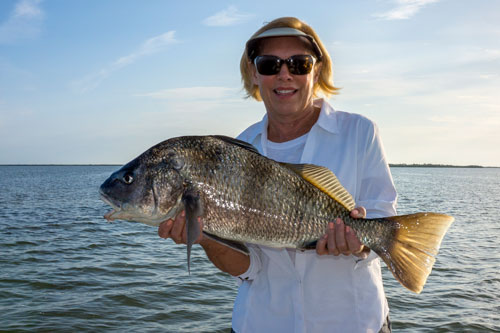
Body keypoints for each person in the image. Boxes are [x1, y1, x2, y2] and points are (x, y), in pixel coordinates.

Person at [158, 17, 397, 333]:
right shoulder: (238, 150)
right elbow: (249, 267)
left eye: (299, 63)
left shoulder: (359, 132)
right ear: (254, 74)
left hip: (353, 323)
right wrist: (203, 238)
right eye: (270, 64)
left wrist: (360, 242)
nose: (285, 74)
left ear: (317, 70)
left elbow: (382, 223)